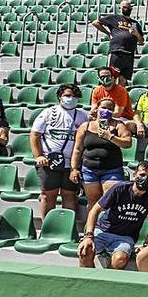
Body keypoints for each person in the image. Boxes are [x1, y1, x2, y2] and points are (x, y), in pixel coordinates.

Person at [78, 161, 148, 270]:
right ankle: (87, 283)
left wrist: (146, 244)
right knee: (85, 251)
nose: (146, 178)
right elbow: (95, 210)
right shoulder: (120, 189)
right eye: (142, 175)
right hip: (103, 231)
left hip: (125, 237)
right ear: (134, 175)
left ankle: (105, 283)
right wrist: (88, 236)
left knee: (120, 259)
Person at [30, 84, 87, 222]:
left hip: (71, 163)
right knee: (48, 195)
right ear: (60, 97)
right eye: (67, 95)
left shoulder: (83, 116)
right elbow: (34, 135)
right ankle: (47, 227)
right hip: (49, 161)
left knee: (70, 195)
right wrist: (38, 156)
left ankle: (67, 226)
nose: (70, 98)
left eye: (74, 96)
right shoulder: (48, 112)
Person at [71, 98, 133, 207]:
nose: (106, 110)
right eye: (104, 107)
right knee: (93, 202)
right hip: (89, 170)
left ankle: (108, 224)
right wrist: (74, 169)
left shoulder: (118, 125)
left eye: (110, 109)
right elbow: (77, 149)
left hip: (112, 170)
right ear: (97, 108)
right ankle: (92, 224)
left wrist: (111, 137)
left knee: (111, 201)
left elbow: (128, 143)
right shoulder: (86, 126)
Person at [90, 0, 144, 83]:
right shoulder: (114, 18)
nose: (127, 9)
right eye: (124, 7)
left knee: (123, 79)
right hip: (116, 52)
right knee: (111, 77)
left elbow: (141, 41)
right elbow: (95, 22)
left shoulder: (134, 23)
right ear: (120, 8)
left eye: (129, 7)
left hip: (129, 54)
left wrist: (136, 34)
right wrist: (108, 33)